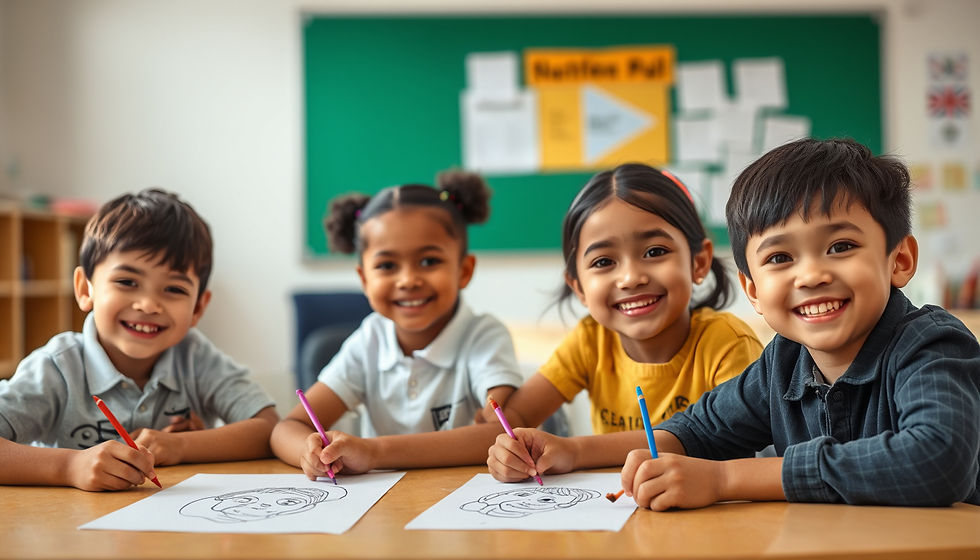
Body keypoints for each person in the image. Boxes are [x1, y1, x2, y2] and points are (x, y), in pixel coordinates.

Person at [614, 137, 980, 509]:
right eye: (780, 257)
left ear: (899, 260)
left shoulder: (933, 344)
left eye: (840, 247)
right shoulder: (783, 361)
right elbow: (699, 430)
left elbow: (939, 460)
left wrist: (724, 479)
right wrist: (652, 454)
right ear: (753, 290)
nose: (811, 276)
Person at [486, 163, 763, 482]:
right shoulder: (592, 340)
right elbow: (513, 418)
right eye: (604, 261)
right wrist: (507, 452)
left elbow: (725, 440)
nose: (631, 278)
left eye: (655, 251)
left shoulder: (728, 342)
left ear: (698, 262)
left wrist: (575, 450)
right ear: (579, 287)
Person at [0, 189, 279, 491]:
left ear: (198, 307)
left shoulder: (195, 357)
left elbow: (270, 429)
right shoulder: (57, 366)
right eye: (127, 282)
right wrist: (69, 467)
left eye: (174, 289)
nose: (148, 305)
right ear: (85, 289)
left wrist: (182, 446)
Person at [270, 170, 524, 479]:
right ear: (364, 279)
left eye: (428, 261)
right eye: (387, 265)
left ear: (464, 270)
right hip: (384, 505)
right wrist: (308, 453)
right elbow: (286, 429)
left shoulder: (483, 336)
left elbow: (503, 432)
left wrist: (375, 452)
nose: (408, 280)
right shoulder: (369, 341)